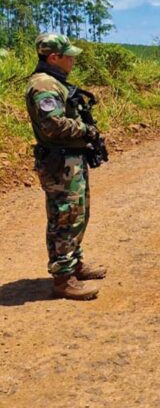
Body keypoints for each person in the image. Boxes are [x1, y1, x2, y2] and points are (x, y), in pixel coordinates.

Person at [25, 34, 107, 300]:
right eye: (68, 55)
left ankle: (74, 264)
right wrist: (87, 130)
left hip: (70, 159)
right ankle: (63, 278)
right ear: (53, 57)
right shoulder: (44, 85)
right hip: (58, 162)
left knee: (78, 213)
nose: (72, 60)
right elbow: (54, 124)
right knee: (64, 216)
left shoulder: (56, 82)